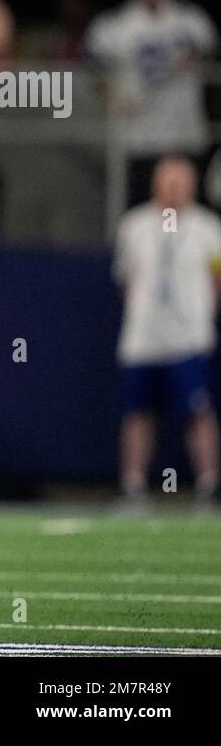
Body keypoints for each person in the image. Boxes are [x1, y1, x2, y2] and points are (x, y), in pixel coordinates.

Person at [113, 155, 221, 509]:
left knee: (198, 412)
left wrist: (200, 316)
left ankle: (208, 484)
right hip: (142, 340)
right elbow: (127, 279)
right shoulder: (134, 225)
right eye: (168, 181)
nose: (173, 189)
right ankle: (132, 484)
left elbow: (217, 280)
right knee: (137, 413)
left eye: (180, 182)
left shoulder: (209, 228)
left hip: (188, 338)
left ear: (192, 186)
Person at [86, 0, 218, 204]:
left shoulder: (192, 21)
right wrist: (112, 100)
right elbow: (92, 73)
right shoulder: (114, 26)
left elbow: (211, 68)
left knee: (189, 212)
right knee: (141, 211)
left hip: (185, 136)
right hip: (140, 139)